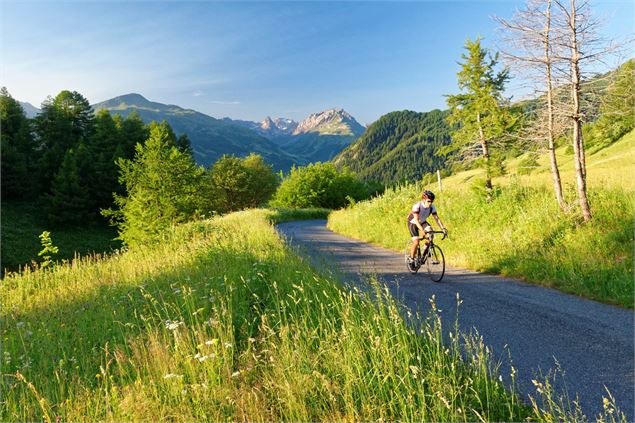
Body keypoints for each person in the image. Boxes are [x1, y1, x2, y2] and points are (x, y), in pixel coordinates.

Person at [407, 190, 448, 267]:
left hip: (422, 222)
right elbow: (416, 220)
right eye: (428, 201)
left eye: (431, 201)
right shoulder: (417, 206)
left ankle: (423, 255)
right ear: (424, 200)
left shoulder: (432, 207)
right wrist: (422, 231)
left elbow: (437, 218)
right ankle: (411, 259)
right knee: (416, 242)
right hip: (413, 222)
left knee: (430, 233)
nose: (430, 203)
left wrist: (443, 228)